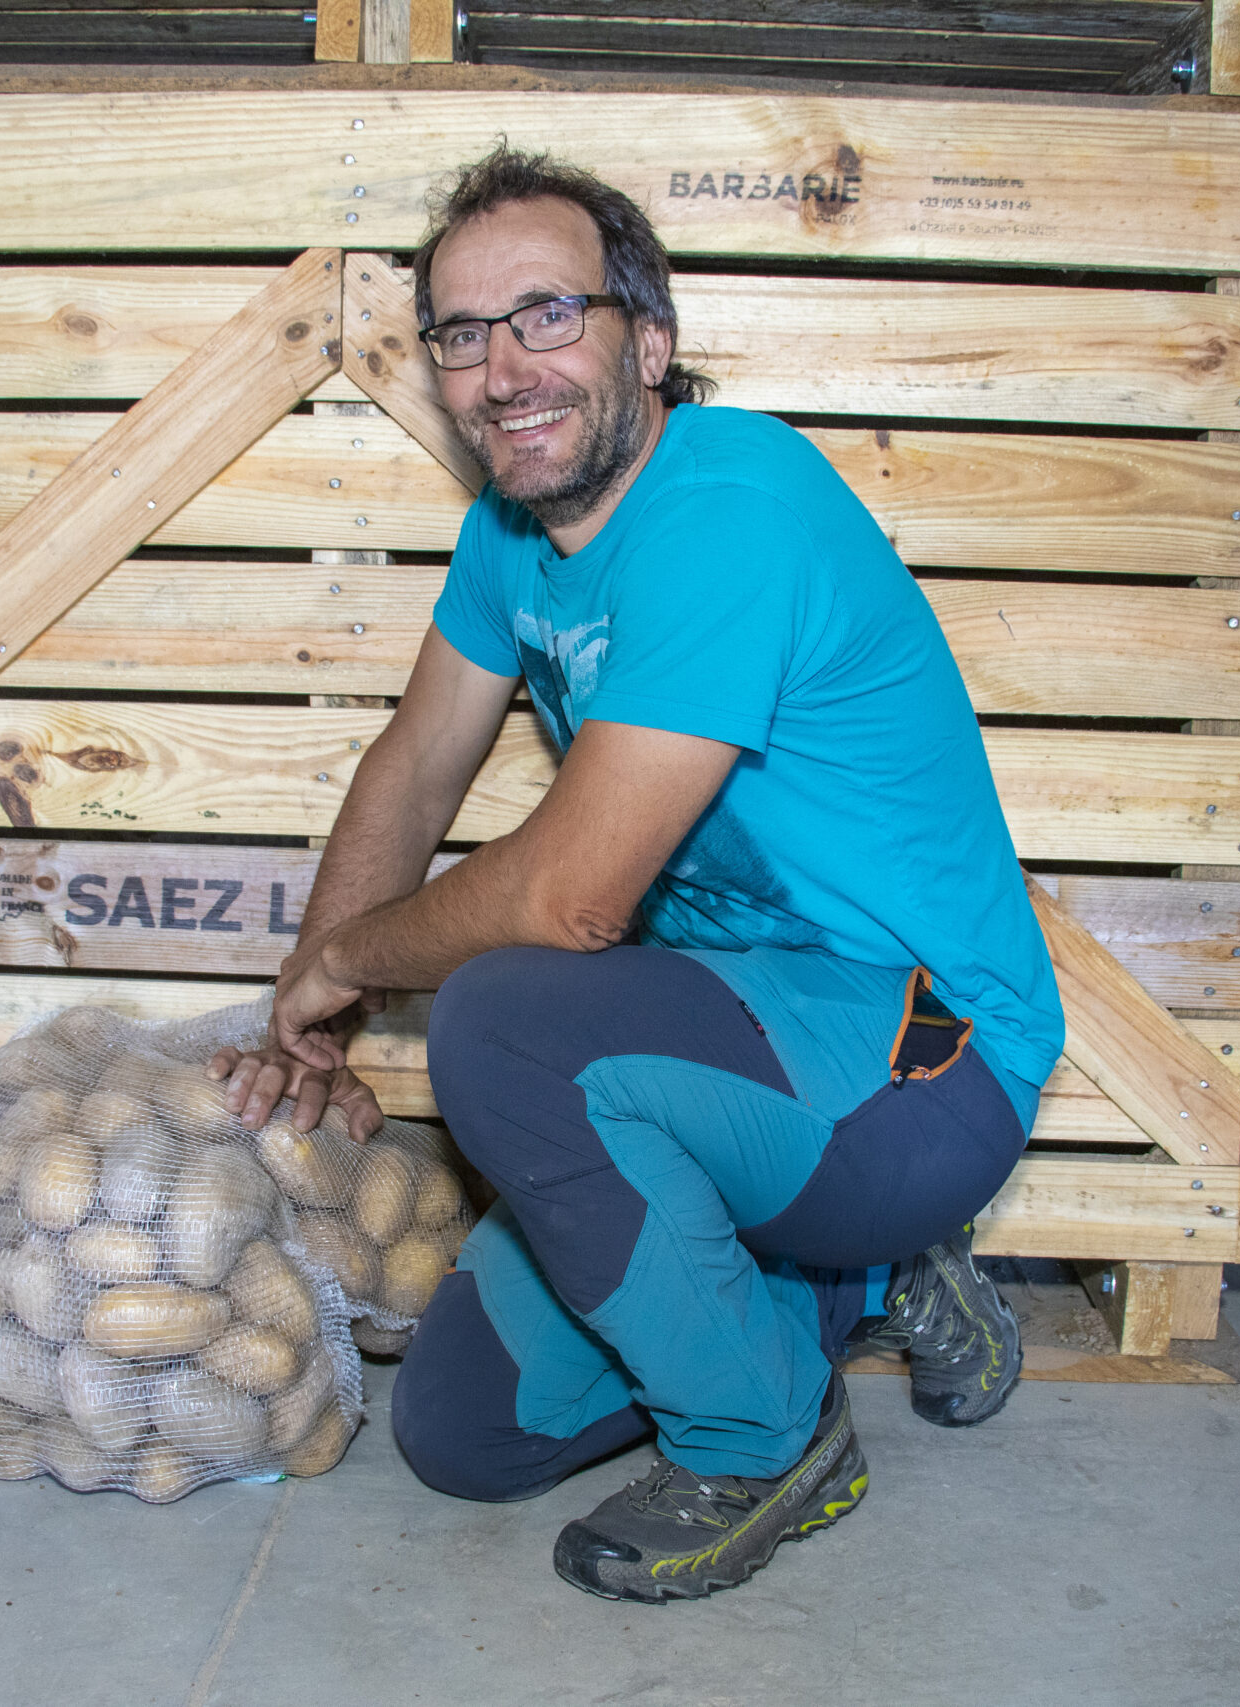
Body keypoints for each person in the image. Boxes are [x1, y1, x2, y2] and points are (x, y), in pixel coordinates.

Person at [206, 146, 1065, 1603]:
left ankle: (768, 1437)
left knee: (507, 1017)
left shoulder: (734, 506)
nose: (501, 369)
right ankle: (847, 1283)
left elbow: (569, 903)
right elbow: (418, 763)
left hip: (923, 1060)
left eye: (547, 314)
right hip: (738, 1053)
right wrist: (312, 992)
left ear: (647, 344)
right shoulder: (509, 540)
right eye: (462, 336)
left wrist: (354, 962)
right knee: (465, 1430)